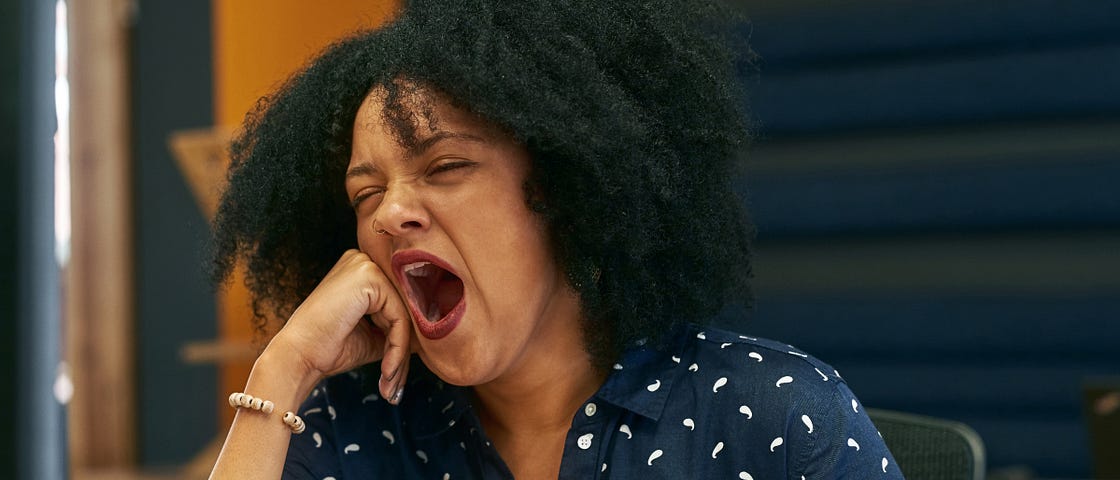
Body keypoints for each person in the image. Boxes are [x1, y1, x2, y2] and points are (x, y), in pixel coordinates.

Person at [207, 0, 902, 478]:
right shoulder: (344, 433)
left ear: (567, 189)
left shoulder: (772, 416)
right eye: (366, 194)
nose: (390, 214)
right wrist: (285, 366)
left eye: (445, 166)